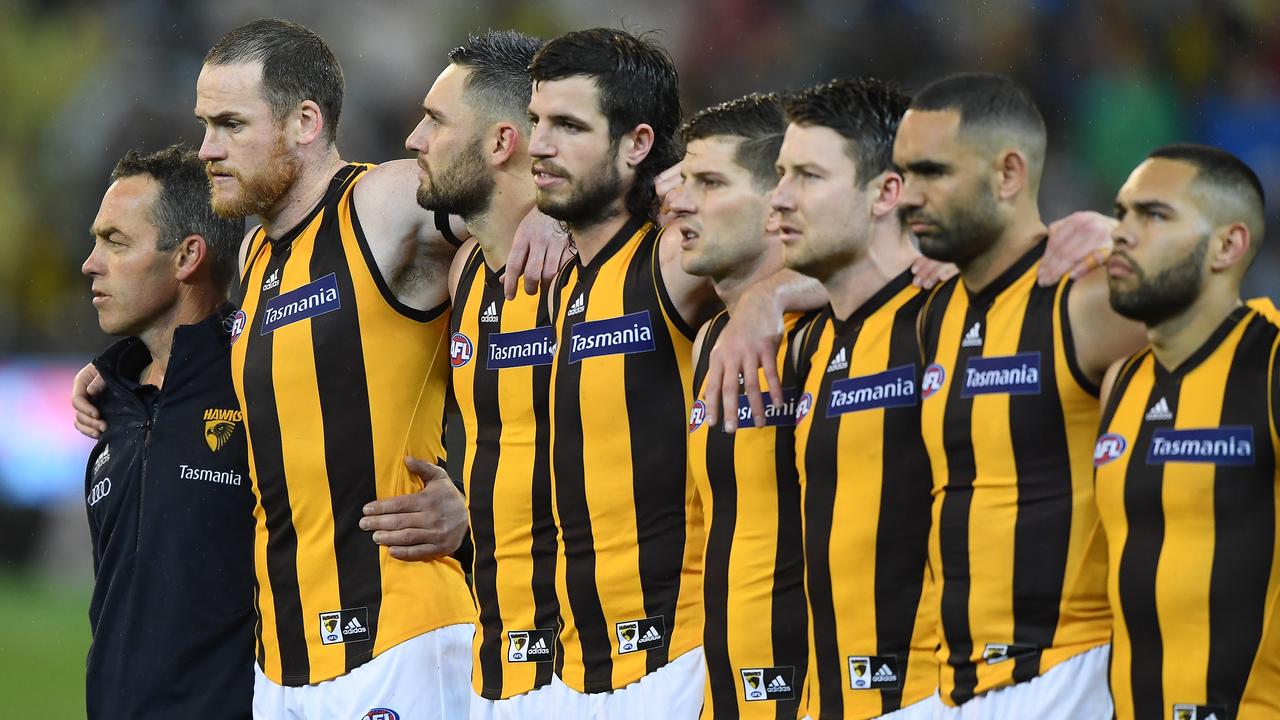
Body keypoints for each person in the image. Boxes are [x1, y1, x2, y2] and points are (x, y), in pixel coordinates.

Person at [893, 71, 1148, 714]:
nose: (909, 196)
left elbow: (1228, 324)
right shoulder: (937, 311)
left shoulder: (1088, 301)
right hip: (955, 682)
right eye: (903, 174)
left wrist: (1125, 241)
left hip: (1070, 671)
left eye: (933, 173)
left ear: (1009, 174)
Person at [526, 27, 726, 716]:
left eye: (568, 126)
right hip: (574, 667)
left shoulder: (673, 257)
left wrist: (769, 298)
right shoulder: (561, 277)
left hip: (673, 656)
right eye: (536, 122)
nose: (540, 145)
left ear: (637, 144)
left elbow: (818, 243)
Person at [404, 29, 567, 718]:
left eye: (437, 122)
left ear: (503, 143)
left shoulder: (610, 262)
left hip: (611, 666)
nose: (414, 138)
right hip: (496, 660)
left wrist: (567, 214)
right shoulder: (465, 271)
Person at [772, 78, 943, 720]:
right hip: (826, 698)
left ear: (886, 192)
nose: (780, 198)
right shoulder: (808, 343)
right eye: (781, 173)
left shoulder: (946, 322)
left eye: (809, 176)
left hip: (931, 696)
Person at [1095, 144, 1280, 720]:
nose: (1121, 232)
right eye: (1122, 212)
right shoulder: (1120, 382)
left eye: (1153, 215)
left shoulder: (1272, 365)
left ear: (1228, 245)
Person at [80, 145, 250, 719]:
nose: (90, 263)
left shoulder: (263, 383)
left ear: (186, 258)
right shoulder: (113, 409)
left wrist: (456, 514)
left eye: (115, 242)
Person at [670, 93, 809, 719]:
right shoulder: (708, 341)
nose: (681, 200)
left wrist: (773, 295)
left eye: (711, 183)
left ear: (779, 204)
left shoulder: (838, 327)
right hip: (721, 690)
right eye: (684, 179)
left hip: (822, 691)